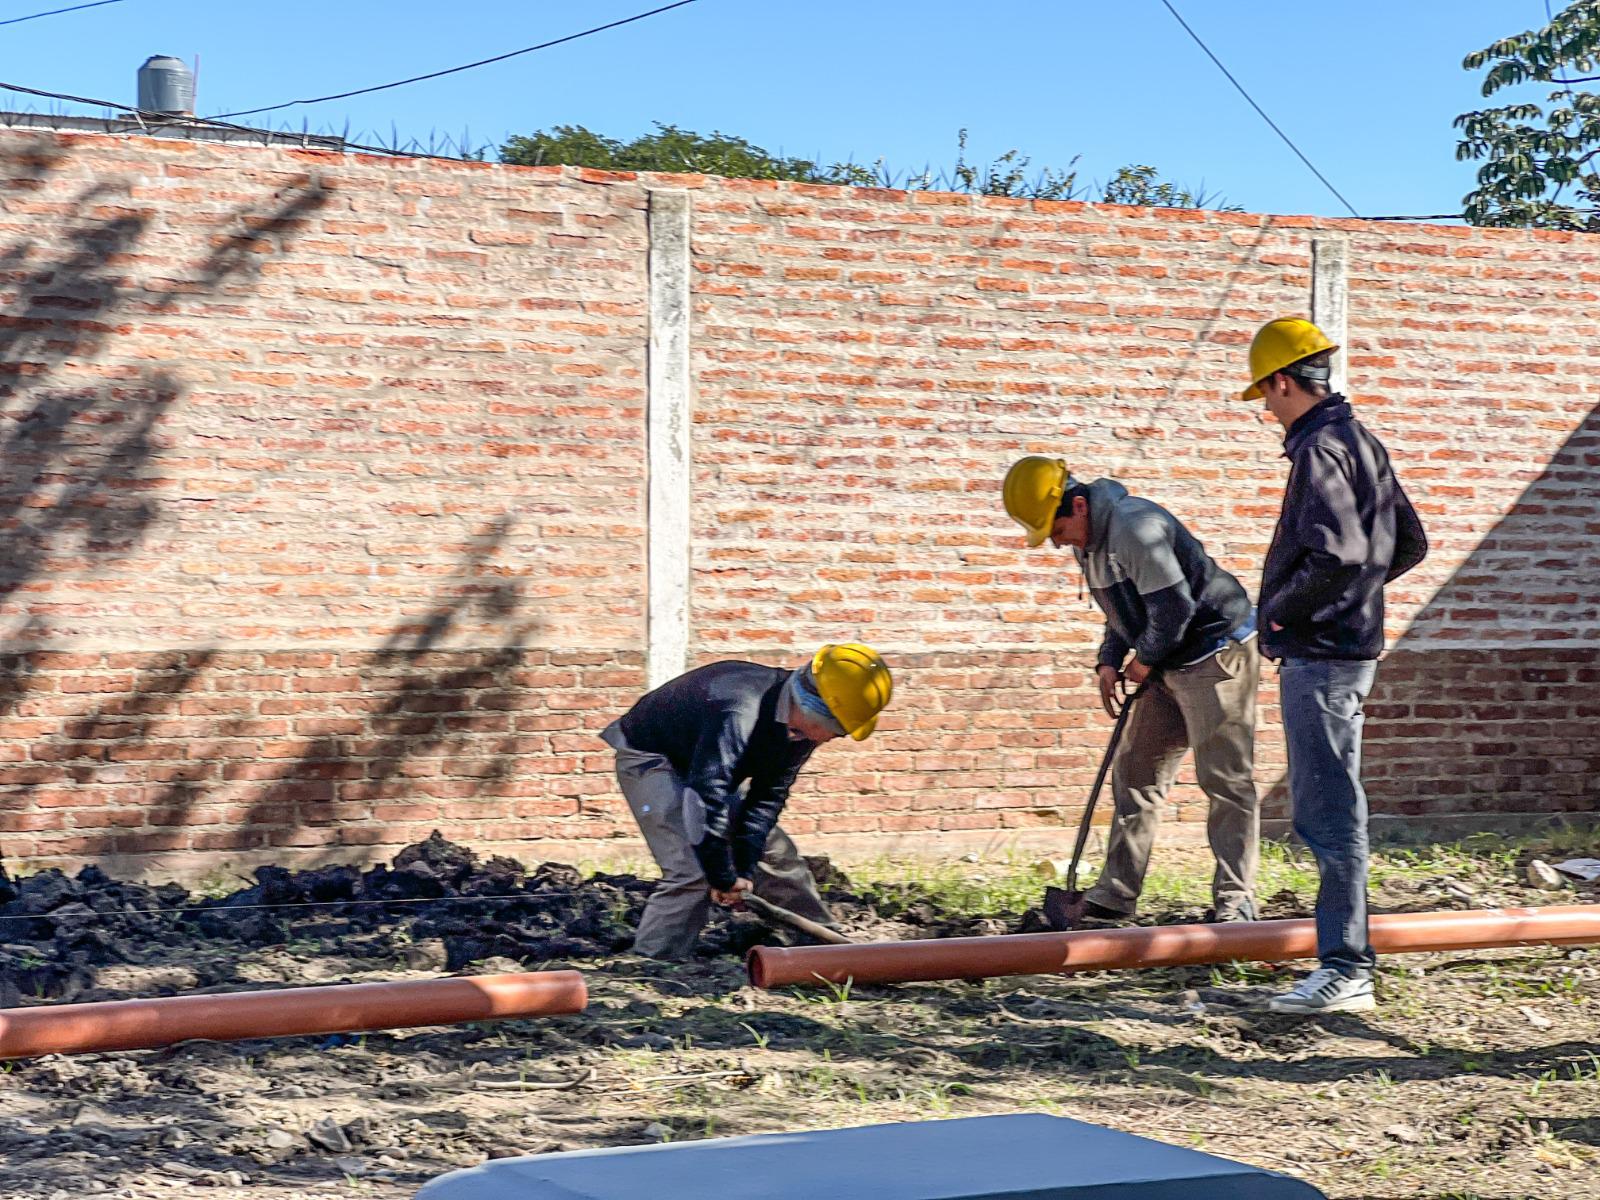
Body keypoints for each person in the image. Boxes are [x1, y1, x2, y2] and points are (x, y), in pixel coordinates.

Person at [1245, 318, 1428, 1015]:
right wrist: (1356, 605)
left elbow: (1341, 555)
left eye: (1267, 394)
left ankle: (1346, 968)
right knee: (1333, 807)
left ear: (1285, 382)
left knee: (1328, 814)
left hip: (1320, 658)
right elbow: (1408, 543)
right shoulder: (1362, 441)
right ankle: (1345, 964)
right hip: (1349, 650)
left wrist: (1284, 615)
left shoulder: (1320, 447)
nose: (1266, 409)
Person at [1003, 457, 1262, 927]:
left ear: (1078, 505)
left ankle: (1236, 901)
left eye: (1056, 530)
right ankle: (1114, 896)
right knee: (1136, 773)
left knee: (1225, 781)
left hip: (1214, 652)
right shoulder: (1088, 543)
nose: (1057, 543)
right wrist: (1108, 659)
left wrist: (1140, 663)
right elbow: (1122, 609)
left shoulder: (1134, 527)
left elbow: (1173, 607)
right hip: (1166, 658)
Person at [601, 644, 893, 960]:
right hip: (653, 757)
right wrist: (722, 877)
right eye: (839, 729)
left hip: (709, 766)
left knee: (778, 855)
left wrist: (745, 869)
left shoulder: (801, 732)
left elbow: (767, 798)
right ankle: (653, 963)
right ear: (814, 709)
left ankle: (825, 947)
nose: (838, 737)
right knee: (691, 871)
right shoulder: (739, 709)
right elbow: (705, 797)